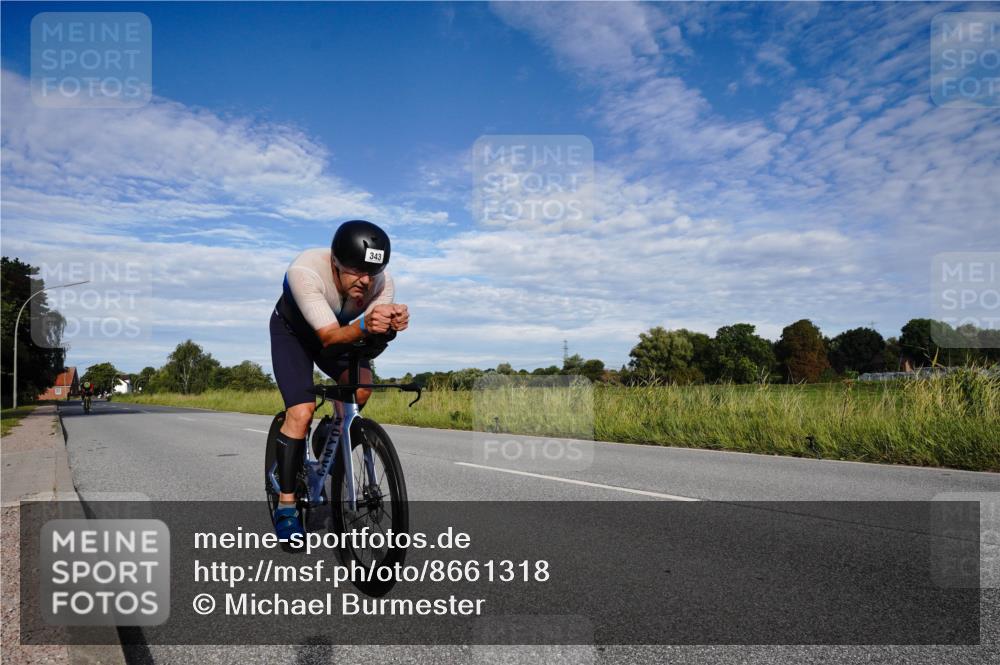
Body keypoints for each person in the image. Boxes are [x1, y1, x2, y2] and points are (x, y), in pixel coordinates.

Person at [269, 220, 408, 540]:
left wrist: (388, 328)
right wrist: (366, 325)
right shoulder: (304, 272)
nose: (365, 280)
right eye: (356, 271)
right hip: (295, 336)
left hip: (339, 334)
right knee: (301, 412)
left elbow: (369, 341)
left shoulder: (383, 283)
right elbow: (330, 337)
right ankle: (287, 506)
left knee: (361, 390)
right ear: (335, 262)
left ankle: (328, 434)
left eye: (372, 272)